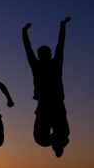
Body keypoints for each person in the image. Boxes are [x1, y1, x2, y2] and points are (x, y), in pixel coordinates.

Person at [22, 17, 71, 157]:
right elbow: (29, 50)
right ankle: (58, 142)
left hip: (54, 104)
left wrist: (62, 26)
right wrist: (24, 32)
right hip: (47, 105)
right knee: (42, 138)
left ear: (47, 55)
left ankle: (58, 142)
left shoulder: (54, 64)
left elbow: (60, 45)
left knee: (61, 135)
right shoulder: (39, 66)